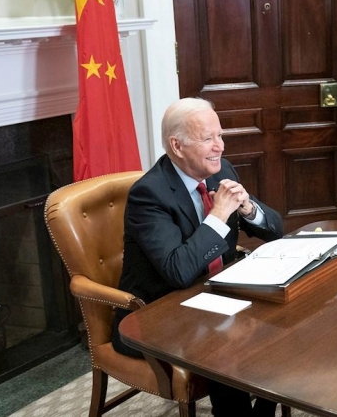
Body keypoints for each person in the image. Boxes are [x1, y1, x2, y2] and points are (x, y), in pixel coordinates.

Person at [112, 97, 284, 416]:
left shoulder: (220, 170)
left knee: (288, 319)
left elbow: (275, 229)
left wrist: (248, 208)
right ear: (177, 146)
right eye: (208, 139)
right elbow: (179, 272)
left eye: (219, 135)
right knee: (224, 346)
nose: (219, 146)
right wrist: (218, 215)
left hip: (216, 295)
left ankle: (263, 408)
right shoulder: (148, 195)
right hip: (161, 313)